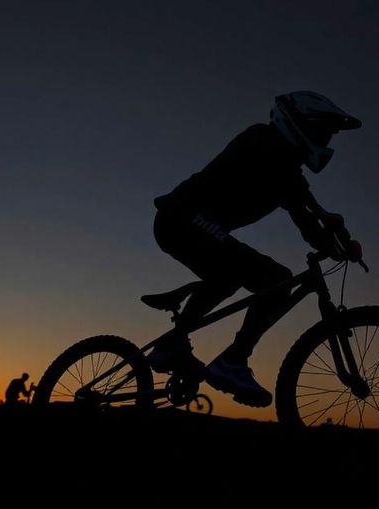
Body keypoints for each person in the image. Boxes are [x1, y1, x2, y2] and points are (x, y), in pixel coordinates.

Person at [148, 91, 363, 407]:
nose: (325, 139)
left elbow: (307, 217)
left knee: (229, 277)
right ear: (297, 123)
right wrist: (329, 234)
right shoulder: (263, 140)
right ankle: (232, 360)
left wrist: (334, 242)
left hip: (187, 225)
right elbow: (305, 208)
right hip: (182, 218)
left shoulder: (288, 168)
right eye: (322, 131)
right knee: (274, 279)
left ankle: (172, 344)